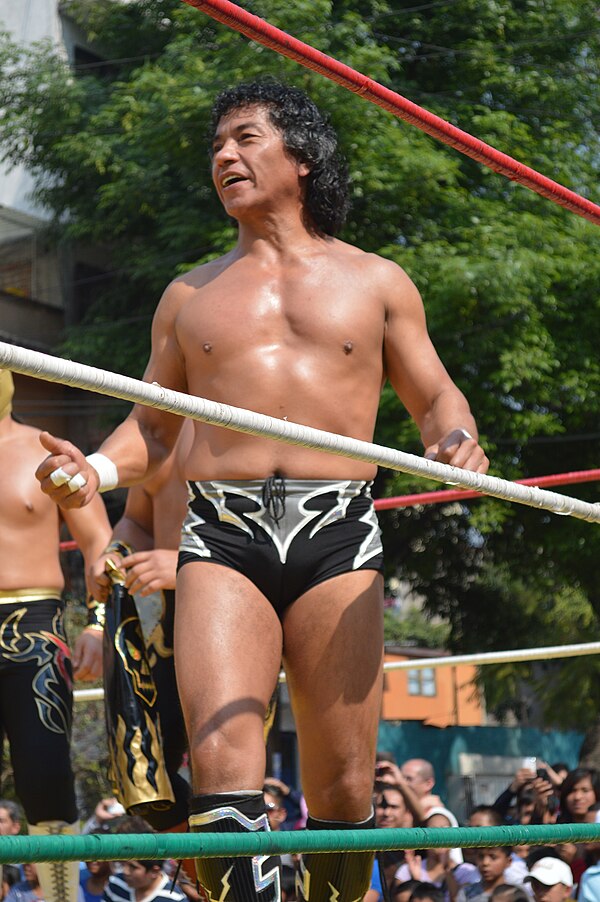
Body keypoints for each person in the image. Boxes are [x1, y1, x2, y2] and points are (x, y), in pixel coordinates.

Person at [35, 80, 488, 902]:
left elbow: (436, 397)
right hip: (223, 535)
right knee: (220, 771)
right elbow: (154, 431)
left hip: (338, 530)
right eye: (217, 146)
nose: (224, 157)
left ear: (302, 156)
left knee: (347, 789)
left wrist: (454, 442)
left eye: (245, 138)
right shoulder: (187, 296)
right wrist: (92, 472)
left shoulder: (379, 281)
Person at [0, 369, 111, 902]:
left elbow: (101, 546)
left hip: (35, 629)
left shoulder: (45, 453)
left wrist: (97, 621)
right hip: (34, 629)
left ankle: (62, 899)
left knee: (45, 775)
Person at [88, 425, 193, 834]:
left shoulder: (253, 422)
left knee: (227, 776)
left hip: (242, 611)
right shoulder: (160, 436)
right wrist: (115, 551)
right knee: (146, 780)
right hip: (167, 625)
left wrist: (189, 563)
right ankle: (209, 889)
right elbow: (136, 521)